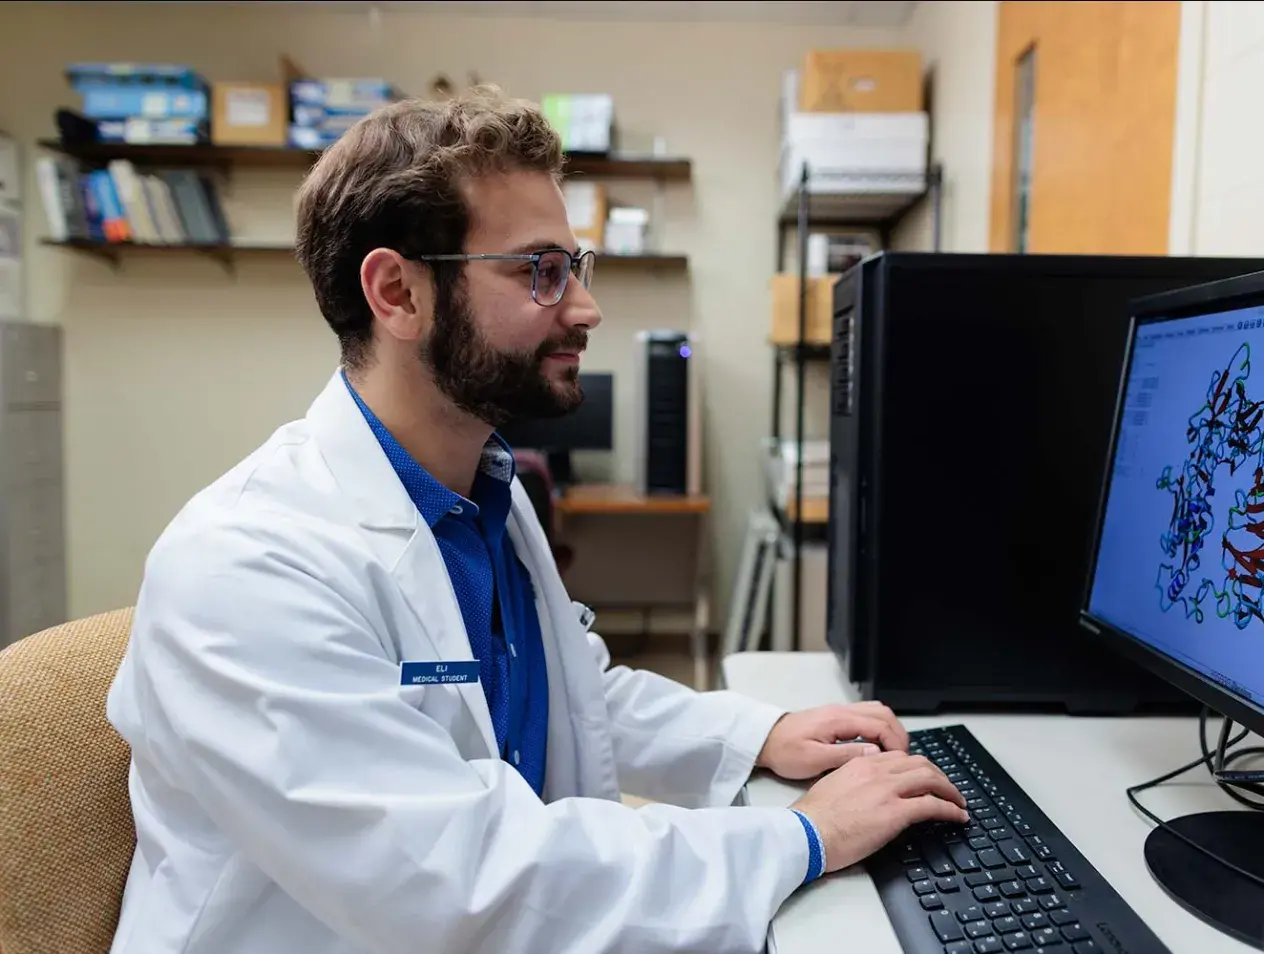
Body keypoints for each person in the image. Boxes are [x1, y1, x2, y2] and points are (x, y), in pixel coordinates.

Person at [105, 88, 968, 954]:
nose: (587, 309)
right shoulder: (243, 568)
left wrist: (757, 734)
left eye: (576, 267)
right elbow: (462, 882)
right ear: (398, 292)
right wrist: (802, 836)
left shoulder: (485, 489)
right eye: (540, 270)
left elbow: (572, 692)